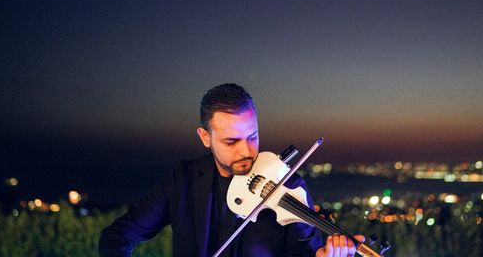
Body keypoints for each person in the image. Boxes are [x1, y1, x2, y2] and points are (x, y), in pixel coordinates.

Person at [99, 83, 362, 257]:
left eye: (252, 136)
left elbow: (306, 250)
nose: (246, 151)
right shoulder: (183, 180)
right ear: (205, 137)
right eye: (231, 141)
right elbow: (118, 235)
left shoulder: (288, 184)